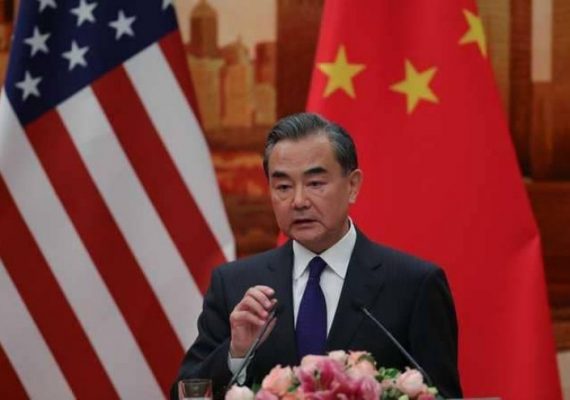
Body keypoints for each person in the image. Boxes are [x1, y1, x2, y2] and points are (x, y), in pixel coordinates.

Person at [172, 113, 462, 399]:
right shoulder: (235, 284)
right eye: (283, 187)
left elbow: (442, 395)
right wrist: (236, 352)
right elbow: (185, 394)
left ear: (352, 186)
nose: (298, 201)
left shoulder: (413, 285)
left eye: (315, 184)